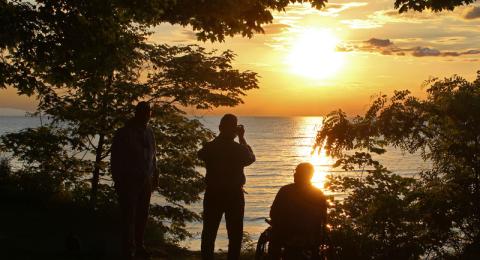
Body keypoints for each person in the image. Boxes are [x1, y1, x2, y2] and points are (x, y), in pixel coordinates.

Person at [198, 114, 256, 260]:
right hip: (234, 195)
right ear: (235, 130)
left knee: (209, 234)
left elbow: (201, 154)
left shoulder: (210, 147)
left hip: (213, 194)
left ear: (220, 128)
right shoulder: (239, 149)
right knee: (235, 235)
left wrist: (219, 138)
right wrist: (242, 138)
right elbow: (250, 158)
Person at [111, 101, 159, 260]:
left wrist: (155, 175)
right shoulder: (124, 133)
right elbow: (116, 159)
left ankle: (139, 245)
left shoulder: (150, 132)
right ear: (137, 113)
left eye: (149, 112)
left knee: (142, 214)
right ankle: (128, 248)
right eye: (144, 112)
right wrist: (118, 180)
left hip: (146, 179)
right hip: (128, 180)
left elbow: (153, 155)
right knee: (128, 215)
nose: (147, 115)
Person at [269, 162, 328, 260]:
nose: (294, 174)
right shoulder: (318, 193)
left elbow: (273, 213)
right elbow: (323, 218)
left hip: (287, 234)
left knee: (274, 238)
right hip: (311, 236)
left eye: (297, 172)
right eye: (295, 171)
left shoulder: (285, 191)